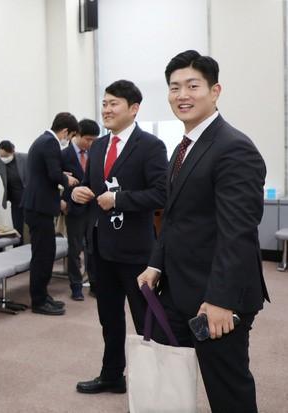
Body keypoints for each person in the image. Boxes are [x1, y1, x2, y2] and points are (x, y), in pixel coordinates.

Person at [137, 50, 269, 412]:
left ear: (215, 91)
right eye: (174, 87)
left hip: (216, 297)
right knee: (172, 384)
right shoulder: (184, 148)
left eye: (193, 86)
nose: (182, 95)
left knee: (228, 392)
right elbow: (175, 218)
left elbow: (238, 233)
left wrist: (222, 300)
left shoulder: (234, 148)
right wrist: (156, 263)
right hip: (178, 288)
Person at [72, 80, 167, 394]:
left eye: (113, 104)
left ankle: (155, 384)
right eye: (104, 103)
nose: (106, 110)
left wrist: (119, 199)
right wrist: (78, 192)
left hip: (136, 251)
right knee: (109, 319)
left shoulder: (151, 146)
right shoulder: (98, 146)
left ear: (134, 108)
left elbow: (161, 194)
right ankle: (112, 375)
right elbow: (91, 186)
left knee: (145, 319)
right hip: (101, 248)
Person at [23, 112, 80, 316]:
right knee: (43, 255)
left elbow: (46, 172)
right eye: (70, 136)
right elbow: (53, 174)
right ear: (65, 131)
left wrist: (61, 175)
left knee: (45, 253)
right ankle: (39, 301)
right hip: (39, 207)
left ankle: (42, 295)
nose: (69, 141)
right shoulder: (50, 142)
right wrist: (67, 180)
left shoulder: (43, 140)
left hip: (38, 206)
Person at [60, 118, 100, 301]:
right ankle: (76, 286)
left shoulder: (96, 153)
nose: (91, 143)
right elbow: (55, 181)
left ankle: (94, 283)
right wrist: (62, 202)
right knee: (75, 249)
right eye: (88, 139)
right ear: (77, 135)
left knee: (93, 248)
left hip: (93, 208)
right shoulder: (64, 155)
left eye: (94, 140)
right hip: (74, 209)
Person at [0, 140, 27, 237]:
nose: (3, 158)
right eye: (1, 156)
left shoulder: (25, 158)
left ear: (12, 152)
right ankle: (18, 245)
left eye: (5, 156)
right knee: (17, 227)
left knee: (30, 225)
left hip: (28, 198)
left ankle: (31, 245)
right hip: (15, 200)